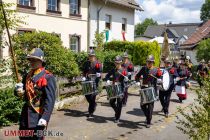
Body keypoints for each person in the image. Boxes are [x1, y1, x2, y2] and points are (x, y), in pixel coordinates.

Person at [15, 48, 56, 140]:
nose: (32, 62)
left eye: (34, 60)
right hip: (25, 115)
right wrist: (18, 91)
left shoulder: (48, 77)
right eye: (30, 60)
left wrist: (45, 117)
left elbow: (50, 100)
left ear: (41, 61)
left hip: (38, 115)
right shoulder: (27, 76)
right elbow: (24, 94)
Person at [135, 55, 162, 128]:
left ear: (153, 62)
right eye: (147, 62)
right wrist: (137, 81)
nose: (148, 63)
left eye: (150, 62)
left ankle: (148, 122)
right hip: (144, 88)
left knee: (150, 106)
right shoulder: (143, 68)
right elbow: (137, 76)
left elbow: (161, 78)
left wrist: (160, 80)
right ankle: (148, 116)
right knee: (142, 105)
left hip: (152, 89)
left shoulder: (156, 69)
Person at [105, 55, 128, 123]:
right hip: (114, 88)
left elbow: (126, 78)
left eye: (118, 63)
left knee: (119, 103)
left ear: (121, 63)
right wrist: (107, 80)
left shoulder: (124, 70)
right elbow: (107, 76)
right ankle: (117, 111)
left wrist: (126, 78)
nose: (116, 64)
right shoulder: (113, 70)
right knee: (111, 102)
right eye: (115, 63)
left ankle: (117, 118)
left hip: (121, 88)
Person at [82, 49, 102, 118]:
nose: (90, 57)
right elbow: (84, 71)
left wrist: (99, 74)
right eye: (89, 56)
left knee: (92, 97)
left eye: (91, 56)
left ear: (94, 56)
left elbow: (100, 71)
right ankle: (94, 104)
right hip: (87, 81)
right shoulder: (86, 63)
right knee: (87, 96)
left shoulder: (98, 63)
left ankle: (90, 112)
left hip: (94, 82)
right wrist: (84, 77)